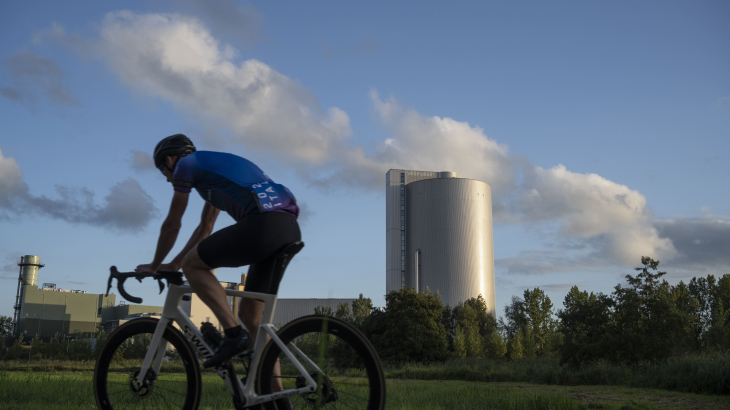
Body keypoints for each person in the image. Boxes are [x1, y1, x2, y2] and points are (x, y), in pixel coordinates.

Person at [135, 134, 301, 378]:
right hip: (287, 228)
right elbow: (205, 228)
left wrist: (154, 265)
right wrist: (173, 264)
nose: (169, 179)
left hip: (263, 223)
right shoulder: (212, 174)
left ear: (169, 160)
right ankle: (276, 398)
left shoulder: (186, 165)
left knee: (194, 266)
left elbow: (172, 224)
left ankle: (233, 334)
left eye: (164, 173)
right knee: (251, 317)